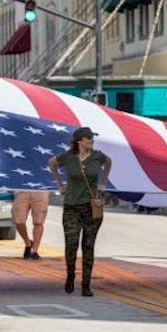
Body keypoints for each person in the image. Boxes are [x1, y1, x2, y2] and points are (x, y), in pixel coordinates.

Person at [48, 127, 111, 297]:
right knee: (71, 245)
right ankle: (70, 276)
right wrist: (59, 184)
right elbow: (52, 163)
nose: (91, 141)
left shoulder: (97, 156)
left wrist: (103, 182)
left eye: (92, 138)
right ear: (79, 141)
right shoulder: (67, 157)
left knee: (88, 246)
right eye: (88, 138)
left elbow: (108, 162)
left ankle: (86, 284)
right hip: (72, 206)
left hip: (91, 207)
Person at [12, 191, 50, 260]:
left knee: (38, 221)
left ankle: (34, 251)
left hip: (41, 190)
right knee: (18, 221)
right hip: (21, 190)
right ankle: (28, 242)